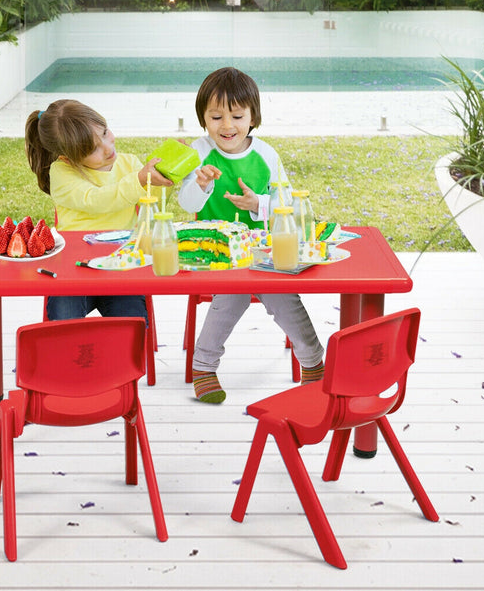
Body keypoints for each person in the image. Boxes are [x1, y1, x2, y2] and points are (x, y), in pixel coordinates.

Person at [178, 67, 325, 403]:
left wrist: (258, 203)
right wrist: (201, 184)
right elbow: (186, 203)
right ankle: (203, 365)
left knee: (282, 292)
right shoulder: (199, 152)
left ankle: (313, 362)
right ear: (203, 118)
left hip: (260, 250)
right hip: (213, 252)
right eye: (216, 116)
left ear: (253, 118)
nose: (226, 126)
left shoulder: (267, 155)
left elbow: (286, 204)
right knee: (235, 291)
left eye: (236, 116)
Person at [25, 99, 172, 321]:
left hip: (120, 265)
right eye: (93, 149)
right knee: (64, 319)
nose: (107, 147)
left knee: (132, 322)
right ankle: (69, 354)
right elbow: (96, 200)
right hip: (74, 270)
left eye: (104, 132)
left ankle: (122, 356)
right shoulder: (61, 172)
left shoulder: (129, 164)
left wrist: (168, 175)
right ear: (68, 157)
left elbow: (151, 206)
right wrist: (140, 180)